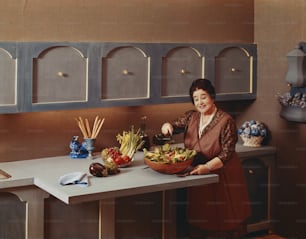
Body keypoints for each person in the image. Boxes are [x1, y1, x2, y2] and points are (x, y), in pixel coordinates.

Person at [161, 79, 251, 239]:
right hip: (199, 172)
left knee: (224, 218)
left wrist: (207, 167)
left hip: (222, 174)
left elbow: (227, 153)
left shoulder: (226, 121)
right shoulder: (191, 117)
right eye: (196, 99)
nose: (200, 102)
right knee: (202, 215)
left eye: (203, 97)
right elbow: (173, 126)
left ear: (212, 97)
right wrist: (167, 126)